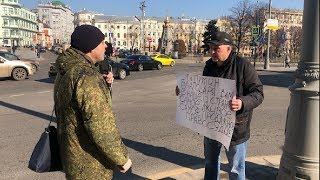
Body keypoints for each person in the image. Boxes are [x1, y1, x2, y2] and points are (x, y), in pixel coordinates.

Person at [176, 32, 264, 180]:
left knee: (236, 169)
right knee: (210, 163)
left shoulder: (244, 67)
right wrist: (184, 91)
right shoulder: (209, 65)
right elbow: (204, 91)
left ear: (229, 49)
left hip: (235, 129)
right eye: (211, 48)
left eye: (217, 48)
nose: (212, 52)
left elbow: (258, 93)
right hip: (211, 126)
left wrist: (242, 102)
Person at [54, 25, 131, 180]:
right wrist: (121, 158)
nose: (106, 46)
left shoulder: (67, 70)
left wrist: (104, 86)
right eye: (102, 42)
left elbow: (76, 108)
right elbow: (100, 126)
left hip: (73, 157)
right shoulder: (87, 77)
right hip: (91, 165)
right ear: (90, 46)